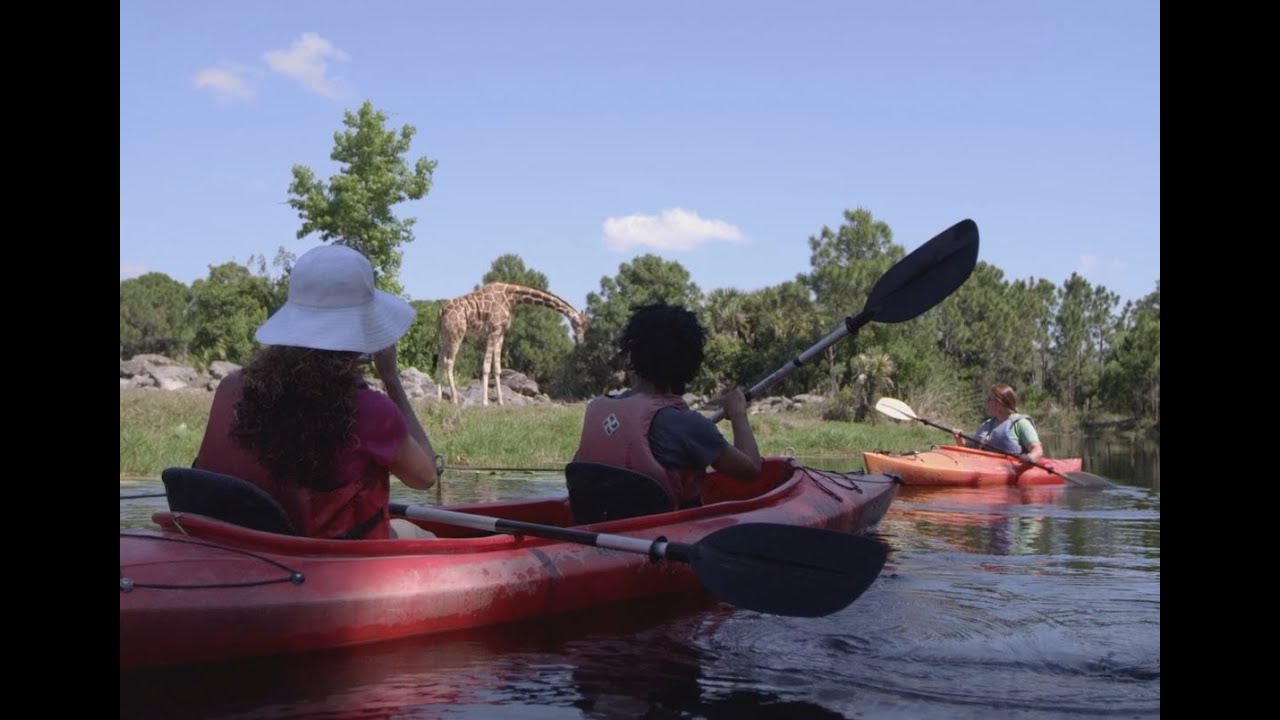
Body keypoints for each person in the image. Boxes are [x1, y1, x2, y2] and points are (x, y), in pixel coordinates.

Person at [193, 244, 439, 540]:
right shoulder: (371, 411)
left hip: (238, 547)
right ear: (362, 331)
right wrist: (391, 377)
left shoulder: (230, 388)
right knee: (420, 536)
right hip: (330, 560)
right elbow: (426, 477)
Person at [573, 302, 761, 509]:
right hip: (660, 536)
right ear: (691, 364)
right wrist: (738, 413)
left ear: (633, 356)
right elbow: (751, 469)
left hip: (602, 526)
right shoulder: (688, 425)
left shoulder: (599, 409)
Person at [953, 383, 1044, 463]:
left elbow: (1037, 450)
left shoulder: (1021, 424)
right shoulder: (986, 425)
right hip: (985, 467)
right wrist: (959, 439)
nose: (987, 402)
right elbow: (969, 449)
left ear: (1000, 403)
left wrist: (1029, 458)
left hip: (1011, 468)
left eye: (990, 399)